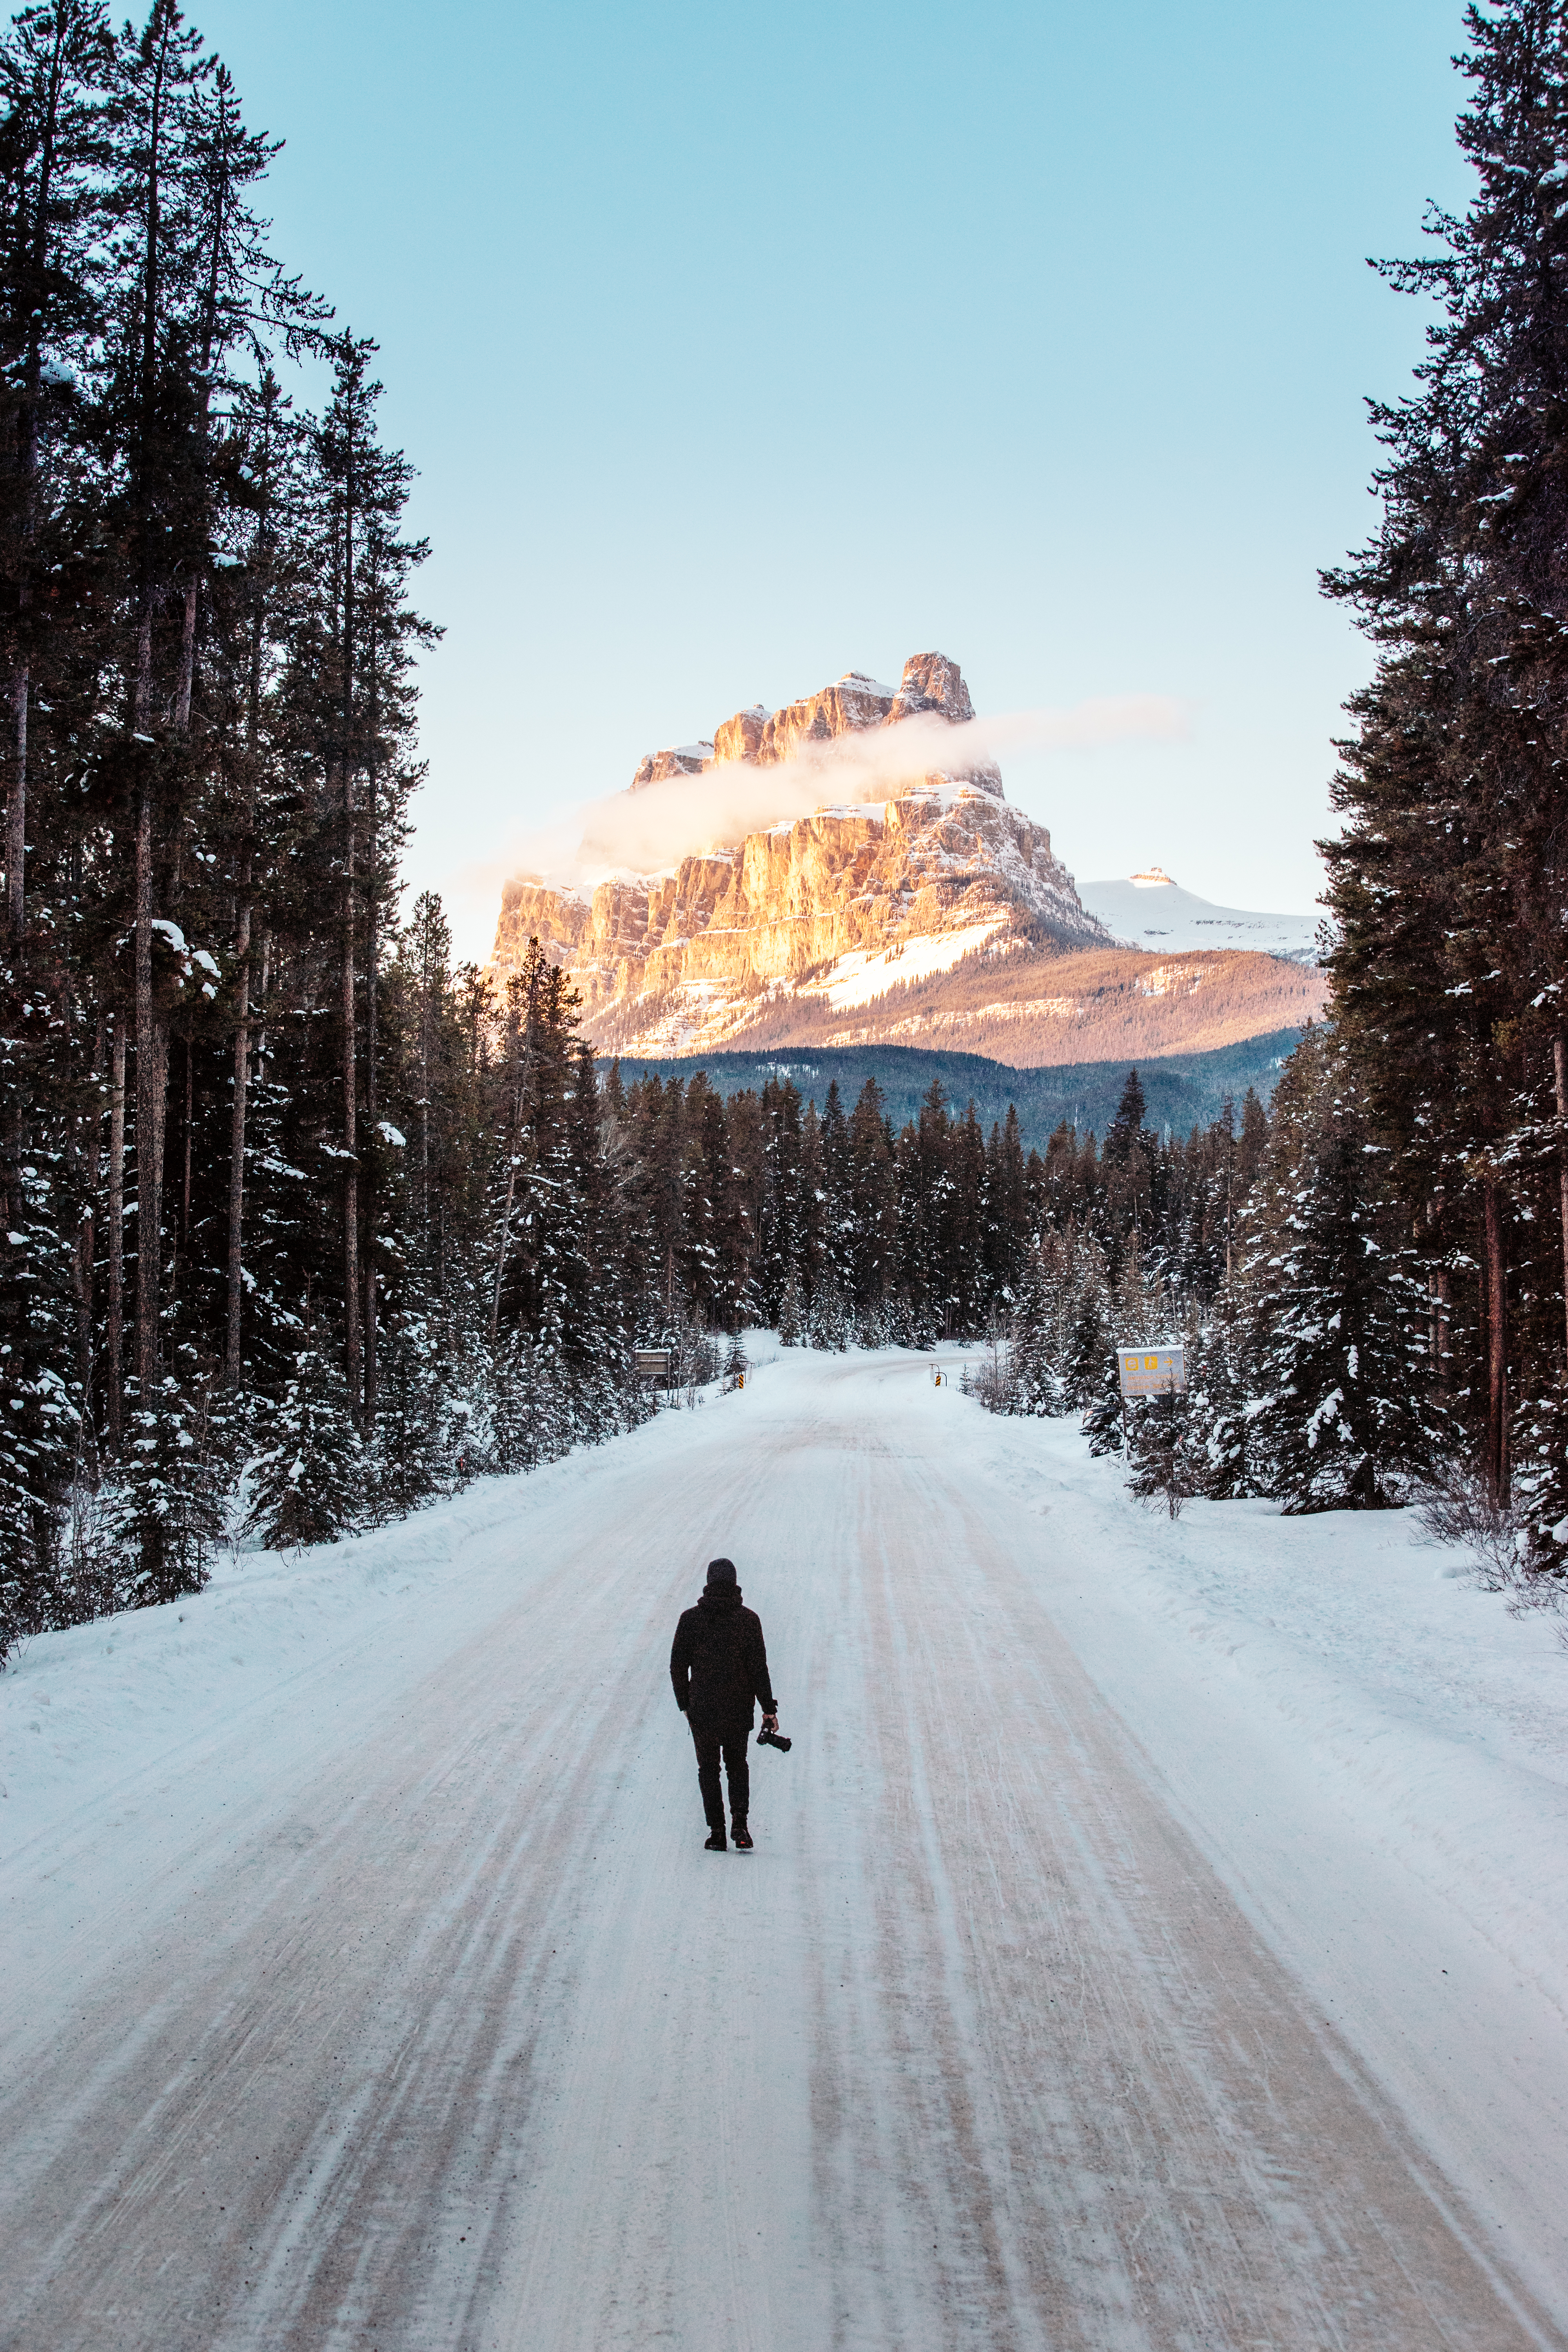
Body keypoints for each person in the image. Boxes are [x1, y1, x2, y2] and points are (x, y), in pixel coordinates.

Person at [669, 1557, 778, 1852]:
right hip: (738, 1707)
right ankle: (740, 1822)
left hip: (702, 1709)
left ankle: (717, 1832)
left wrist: (685, 1702)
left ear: (708, 1583)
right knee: (737, 1765)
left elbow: (677, 1666)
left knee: (708, 1769)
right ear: (734, 1584)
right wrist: (769, 1709)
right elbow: (759, 1669)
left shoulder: (690, 1620)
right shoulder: (748, 1620)